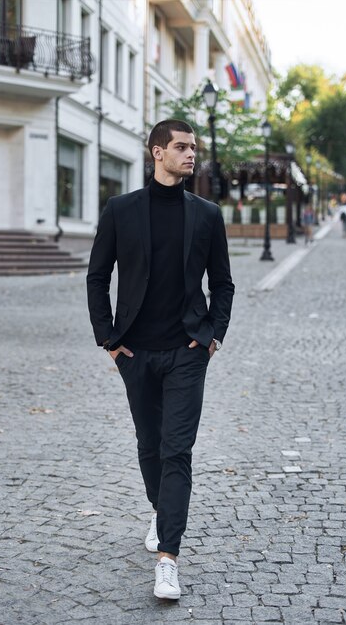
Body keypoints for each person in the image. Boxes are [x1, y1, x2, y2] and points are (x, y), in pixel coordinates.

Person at [87, 119, 235, 600]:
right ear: (157, 153)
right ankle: (161, 509)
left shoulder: (207, 214)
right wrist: (108, 339)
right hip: (135, 351)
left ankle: (167, 558)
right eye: (181, 147)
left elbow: (223, 283)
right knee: (149, 444)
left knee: (177, 451)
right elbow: (97, 276)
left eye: (194, 148)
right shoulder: (121, 210)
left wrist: (212, 336)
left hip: (187, 351)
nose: (191, 155)